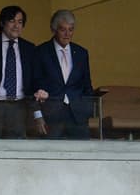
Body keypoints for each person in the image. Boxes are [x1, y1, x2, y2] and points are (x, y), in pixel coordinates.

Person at [0, 6, 40, 138]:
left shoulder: (29, 48)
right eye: (12, 21)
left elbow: (35, 79)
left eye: (20, 22)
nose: (16, 26)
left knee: (16, 146)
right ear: (2, 23)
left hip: (19, 107)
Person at [32, 10, 94, 138]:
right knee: (51, 150)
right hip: (51, 115)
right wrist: (37, 115)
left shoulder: (81, 53)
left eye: (71, 30)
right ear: (54, 30)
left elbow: (87, 85)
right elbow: (34, 84)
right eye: (63, 30)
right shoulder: (40, 52)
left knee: (82, 149)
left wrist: (87, 110)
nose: (67, 34)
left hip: (78, 116)